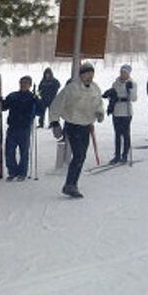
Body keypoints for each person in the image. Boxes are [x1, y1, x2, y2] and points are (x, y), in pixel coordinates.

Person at [48, 62, 105, 198]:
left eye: (92, 74)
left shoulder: (95, 88)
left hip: (86, 125)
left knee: (81, 156)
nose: (89, 76)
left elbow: (99, 104)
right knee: (79, 155)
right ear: (81, 75)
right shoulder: (71, 89)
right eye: (87, 74)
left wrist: (99, 113)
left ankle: (72, 183)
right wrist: (55, 123)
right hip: (73, 125)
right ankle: (70, 185)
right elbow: (56, 105)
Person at [0, 76, 40, 181]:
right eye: (21, 82)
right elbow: (3, 107)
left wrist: (36, 101)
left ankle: (22, 173)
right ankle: (12, 171)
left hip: (24, 128)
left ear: (29, 85)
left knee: (24, 151)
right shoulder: (13, 96)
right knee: (9, 151)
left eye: (25, 83)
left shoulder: (32, 97)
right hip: (12, 127)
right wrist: (0, 101)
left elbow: (39, 111)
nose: (23, 85)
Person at [104, 64, 138, 164]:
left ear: (128, 73)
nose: (123, 74)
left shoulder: (132, 83)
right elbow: (113, 95)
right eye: (122, 72)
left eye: (125, 72)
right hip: (117, 111)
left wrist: (130, 90)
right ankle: (117, 155)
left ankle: (125, 155)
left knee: (125, 134)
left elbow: (134, 98)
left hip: (126, 111)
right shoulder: (116, 83)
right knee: (117, 134)